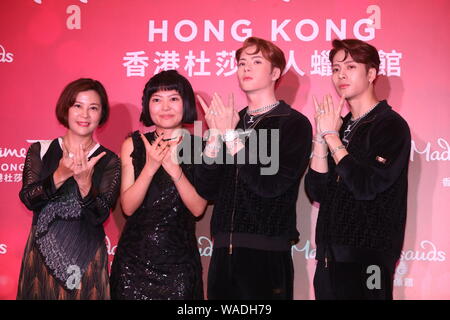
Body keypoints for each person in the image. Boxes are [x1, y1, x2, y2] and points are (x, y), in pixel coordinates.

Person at [196, 37, 312, 299]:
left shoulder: (293, 124)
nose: (245, 68)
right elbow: (206, 188)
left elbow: (271, 185)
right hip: (223, 250)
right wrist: (214, 137)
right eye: (241, 63)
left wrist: (231, 139)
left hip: (267, 253)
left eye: (256, 62)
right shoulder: (229, 122)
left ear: (275, 72)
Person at [305, 39, 411, 300]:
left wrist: (333, 140)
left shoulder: (390, 125)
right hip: (329, 257)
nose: (341, 74)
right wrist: (321, 140)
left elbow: (367, 185)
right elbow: (317, 190)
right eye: (336, 68)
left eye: (351, 67)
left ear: (371, 74)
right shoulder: (339, 127)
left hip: (369, 257)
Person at [17, 78, 121, 300]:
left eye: (93, 108)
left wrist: (85, 184)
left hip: (87, 259)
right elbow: (28, 198)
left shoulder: (109, 159)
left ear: (101, 115)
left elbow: (100, 214)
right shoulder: (41, 150)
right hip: (41, 257)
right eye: (78, 106)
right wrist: (59, 175)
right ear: (66, 108)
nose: (85, 115)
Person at [109, 70, 206, 300]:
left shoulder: (200, 147)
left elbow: (198, 208)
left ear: (186, 104)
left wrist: (175, 171)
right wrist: (151, 166)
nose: (165, 107)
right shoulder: (133, 144)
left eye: (173, 98)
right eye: (156, 100)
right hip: (133, 265)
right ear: (147, 105)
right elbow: (128, 207)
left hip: (180, 267)